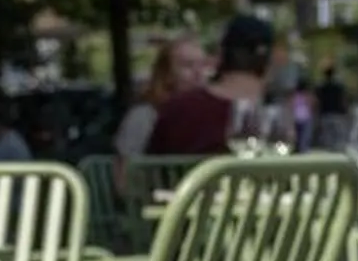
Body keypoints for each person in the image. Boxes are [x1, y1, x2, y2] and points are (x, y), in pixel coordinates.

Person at [148, 11, 281, 155]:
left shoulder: (178, 108)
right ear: (270, 62)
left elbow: (148, 168)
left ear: (221, 55)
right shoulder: (277, 117)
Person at [114, 35, 206, 164]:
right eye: (188, 65)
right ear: (166, 73)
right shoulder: (144, 115)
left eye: (203, 65)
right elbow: (122, 170)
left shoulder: (210, 113)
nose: (199, 73)